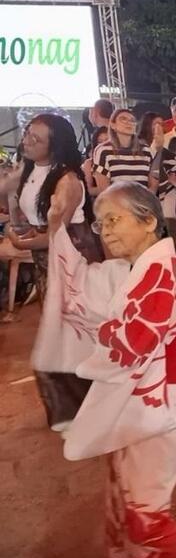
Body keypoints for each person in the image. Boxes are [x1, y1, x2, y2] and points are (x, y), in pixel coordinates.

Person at [52, 182, 176, 558]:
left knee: (144, 511)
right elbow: (91, 299)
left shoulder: (160, 272)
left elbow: (130, 344)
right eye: (101, 224)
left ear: (149, 221)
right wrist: (56, 225)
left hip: (158, 402)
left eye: (115, 219)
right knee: (126, 500)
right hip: (140, 396)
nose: (107, 230)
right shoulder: (142, 268)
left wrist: (101, 332)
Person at [4, 114, 103, 430]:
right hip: (47, 257)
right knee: (57, 332)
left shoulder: (68, 180)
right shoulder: (29, 169)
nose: (27, 141)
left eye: (37, 138)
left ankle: (86, 407)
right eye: (28, 135)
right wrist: (19, 231)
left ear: (55, 145)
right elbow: (13, 202)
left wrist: (23, 240)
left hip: (72, 257)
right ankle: (72, 407)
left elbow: (58, 232)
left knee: (73, 332)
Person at [92, 109, 160, 193]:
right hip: (115, 203)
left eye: (132, 120)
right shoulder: (103, 150)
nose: (128, 122)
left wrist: (144, 202)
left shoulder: (147, 151)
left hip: (143, 202)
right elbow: (104, 190)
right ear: (113, 125)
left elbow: (153, 185)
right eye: (123, 119)